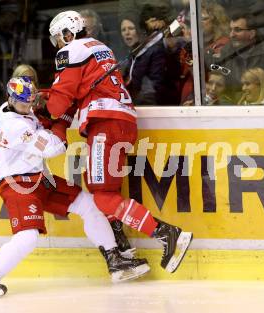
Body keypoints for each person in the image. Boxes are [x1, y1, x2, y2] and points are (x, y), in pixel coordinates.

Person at [44, 10, 193, 273]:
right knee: (105, 190)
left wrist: (40, 103)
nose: (57, 44)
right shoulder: (101, 48)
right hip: (124, 122)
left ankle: (166, 233)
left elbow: (58, 103)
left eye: (58, 38)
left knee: (101, 195)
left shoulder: (70, 51)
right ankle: (122, 246)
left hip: (105, 123)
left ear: (68, 33)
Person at [0, 77, 150, 297]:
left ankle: (114, 259)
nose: (28, 106)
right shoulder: (14, 126)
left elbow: (36, 122)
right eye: (24, 103)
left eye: (30, 102)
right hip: (17, 183)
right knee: (28, 237)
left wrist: (48, 117)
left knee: (89, 205)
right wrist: (63, 119)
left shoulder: (11, 110)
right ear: (10, 98)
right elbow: (53, 148)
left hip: (38, 177)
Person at [211, 12, 264, 102]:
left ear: (252, 34)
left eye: (237, 30)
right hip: (232, 103)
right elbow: (222, 82)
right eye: (231, 30)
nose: (231, 35)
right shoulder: (227, 50)